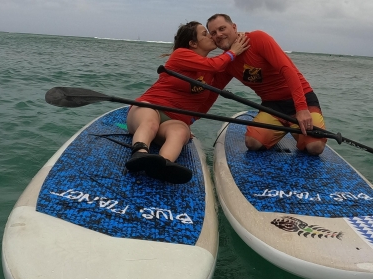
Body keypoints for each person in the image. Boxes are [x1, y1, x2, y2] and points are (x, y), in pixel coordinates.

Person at [126, 21, 249, 183]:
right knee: (150, 121)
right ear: (193, 43)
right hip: (148, 108)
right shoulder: (181, 54)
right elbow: (214, 64)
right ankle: (140, 153)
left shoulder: (213, 72)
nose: (211, 36)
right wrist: (233, 52)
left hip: (173, 120)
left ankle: (162, 164)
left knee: (180, 132)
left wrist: (190, 120)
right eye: (205, 34)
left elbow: (209, 99)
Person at [206, 13, 326, 155]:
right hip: (272, 106)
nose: (218, 34)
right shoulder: (226, 61)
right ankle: (285, 129)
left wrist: (301, 108)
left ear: (234, 27)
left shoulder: (258, 39)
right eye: (213, 33)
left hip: (301, 98)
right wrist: (191, 120)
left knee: (315, 148)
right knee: (253, 143)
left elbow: (288, 70)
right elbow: (213, 92)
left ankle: (297, 131)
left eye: (222, 28)